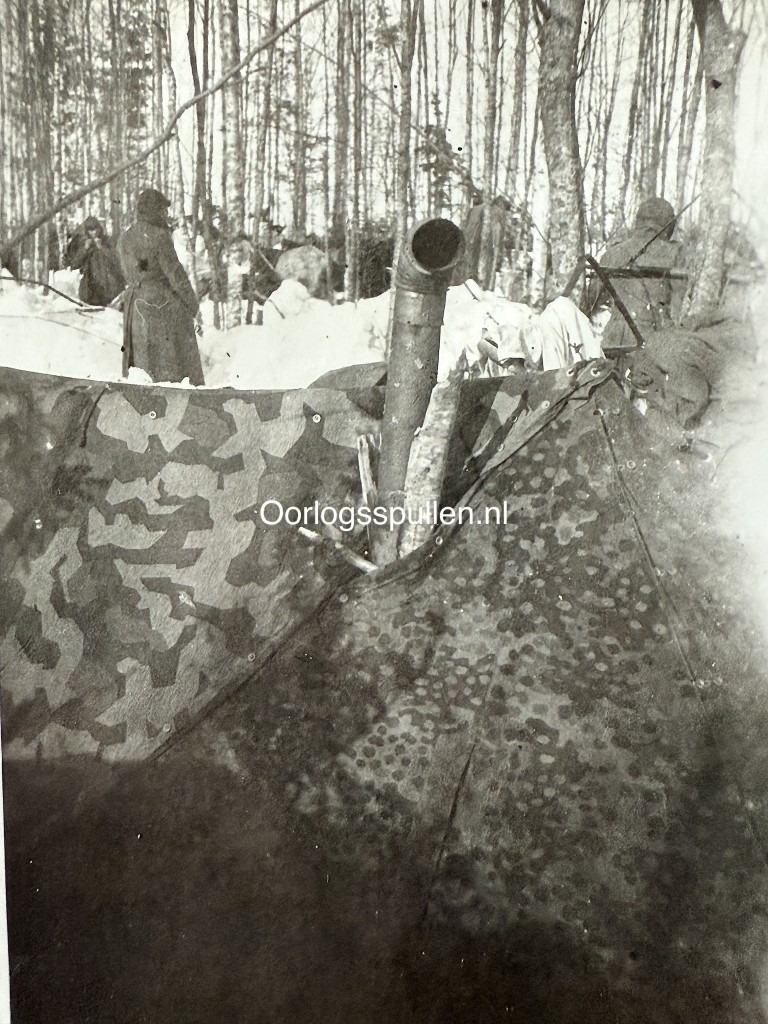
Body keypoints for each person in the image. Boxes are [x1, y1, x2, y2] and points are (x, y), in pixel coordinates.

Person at [118, 188, 204, 385]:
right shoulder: (159, 236)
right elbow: (176, 274)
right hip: (159, 301)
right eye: (162, 210)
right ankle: (183, 389)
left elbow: (126, 271)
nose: (165, 214)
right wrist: (193, 307)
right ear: (154, 210)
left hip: (134, 305)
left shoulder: (125, 237)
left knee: (141, 359)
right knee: (174, 353)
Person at [65, 216, 125, 306]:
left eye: (95, 229)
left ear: (99, 229)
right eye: (90, 230)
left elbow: (116, 260)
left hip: (107, 286)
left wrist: (102, 248)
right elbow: (75, 264)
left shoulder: (108, 241)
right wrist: (84, 249)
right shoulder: (86, 243)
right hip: (90, 288)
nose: (94, 232)